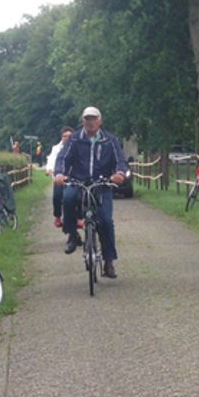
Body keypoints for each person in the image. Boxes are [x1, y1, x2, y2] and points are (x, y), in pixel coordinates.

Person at [54, 106, 129, 279]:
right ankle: (72, 234)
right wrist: (59, 173)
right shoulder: (74, 139)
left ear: (100, 121)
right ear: (83, 121)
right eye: (87, 119)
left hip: (102, 184)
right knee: (68, 197)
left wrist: (119, 173)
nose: (90, 122)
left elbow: (121, 161)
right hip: (78, 181)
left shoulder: (110, 140)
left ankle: (108, 262)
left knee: (105, 221)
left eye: (93, 118)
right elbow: (63, 158)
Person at [45, 126, 73, 228]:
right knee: (57, 196)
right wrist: (49, 169)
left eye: (69, 136)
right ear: (61, 137)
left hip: (73, 178)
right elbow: (52, 159)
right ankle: (57, 216)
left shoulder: (77, 146)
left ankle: (80, 217)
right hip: (59, 178)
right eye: (64, 136)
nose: (66, 138)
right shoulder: (56, 148)